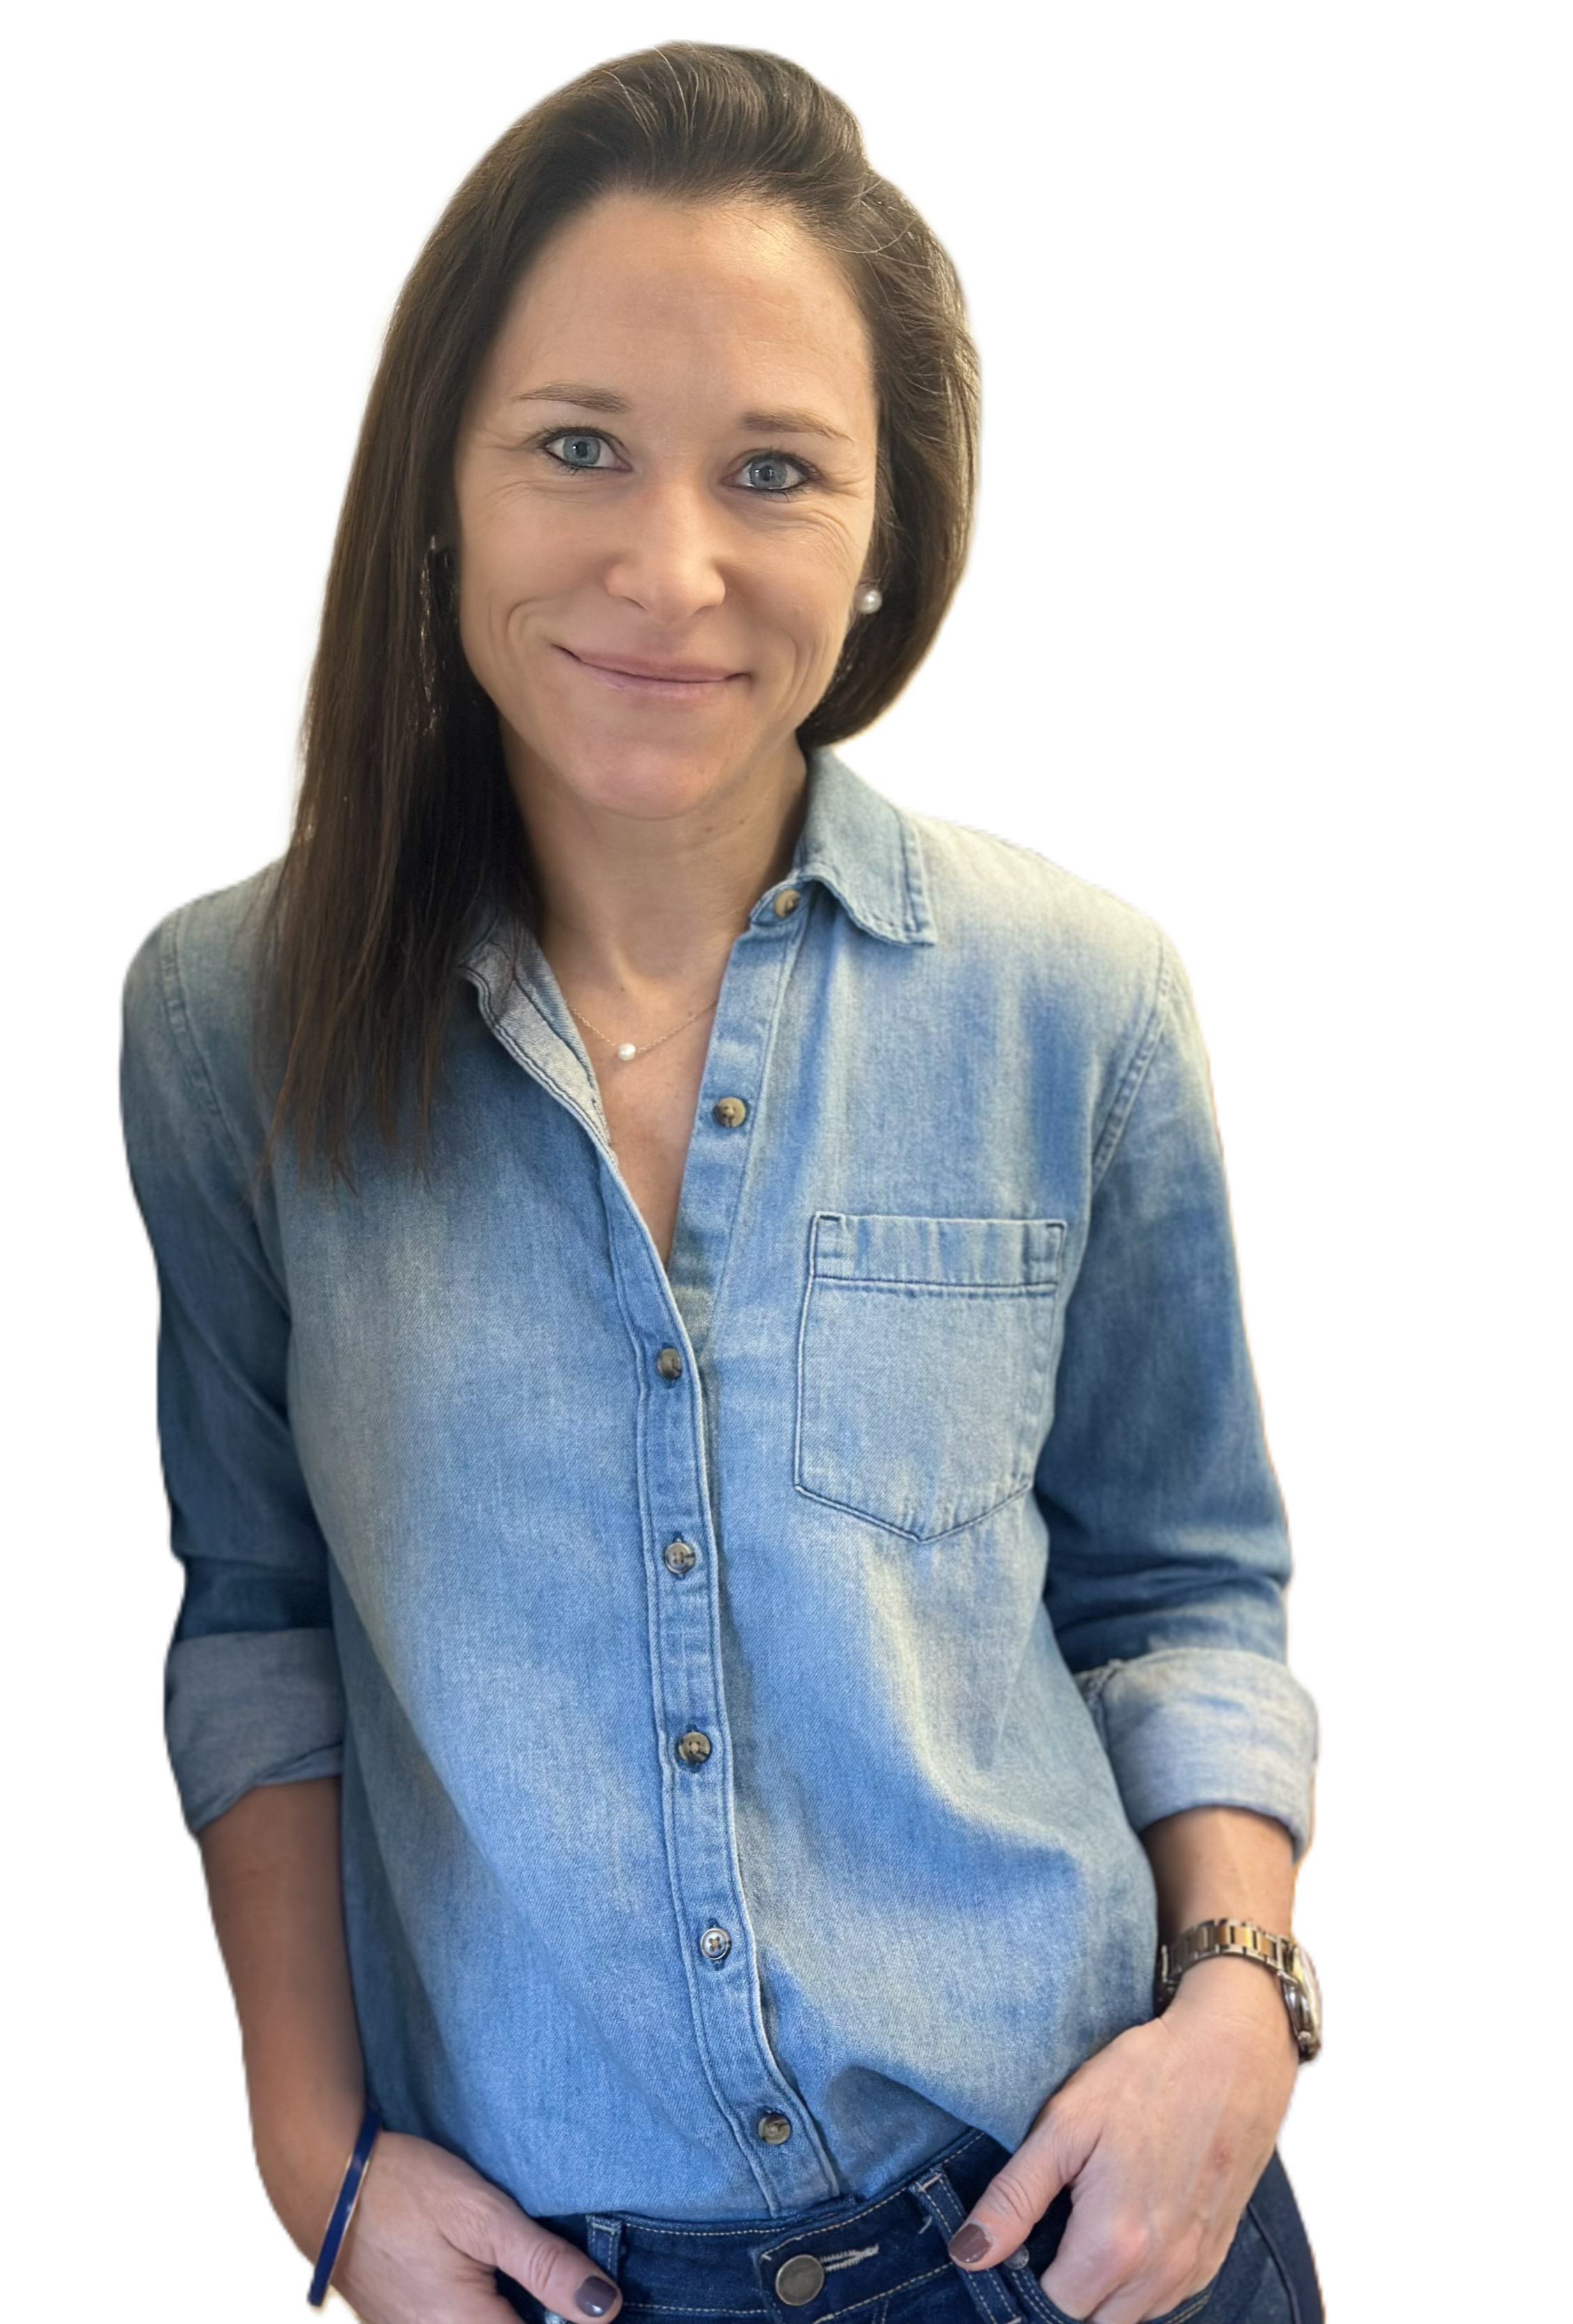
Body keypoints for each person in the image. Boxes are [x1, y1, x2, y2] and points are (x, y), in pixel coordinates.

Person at [116, 40, 1329, 2324]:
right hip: (553, 2282)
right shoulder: (225, 1015)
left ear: (885, 541)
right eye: (577, 445)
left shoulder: (1078, 993)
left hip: (1096, 2231)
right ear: (438, 487)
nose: (668, 569)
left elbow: (1182, 1587)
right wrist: (310, 2149)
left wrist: (1239, 2019)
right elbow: (255, 1624)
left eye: (773, 470)